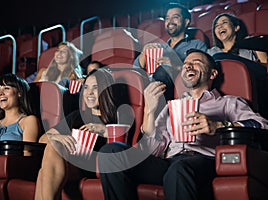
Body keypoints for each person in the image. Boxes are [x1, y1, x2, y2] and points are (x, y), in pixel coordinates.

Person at [98, 49, 268, 200]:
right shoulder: (171, 107)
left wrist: (218, 126)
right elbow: (152, 150)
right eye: (186, 64)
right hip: (169, 163)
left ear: (212, 74)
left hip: (206, 161)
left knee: (179, 169)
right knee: (111, 152)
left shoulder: (228, 103)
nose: (188, 66)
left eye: (196, 63)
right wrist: (149, 110)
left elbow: (262, 126)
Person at [34, 68, 134, 200]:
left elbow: (123, 146)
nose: (89, 93)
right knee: (50, 154)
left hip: (97, 166)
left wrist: (103, 130)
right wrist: (58, 137)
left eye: (95, 88)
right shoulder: (77, 116)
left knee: (45, 168)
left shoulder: (120, 115)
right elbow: (42, 139)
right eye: (86, 87)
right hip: (71, 164)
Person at [133, 2, 208, 101]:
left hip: (179, 87)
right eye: (167, 18)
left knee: (163, 70)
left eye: (175, 17)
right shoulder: (159, 47)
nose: (170, 21)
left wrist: (174, 66)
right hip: (150, 86)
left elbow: (204, 70)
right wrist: (144, 53)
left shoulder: (197, 45)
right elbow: (134, 71)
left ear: (186, 22)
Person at [208, 13, 267, 79]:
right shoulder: (211, 52)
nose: (220, 26)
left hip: (253, 79)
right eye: (216, 26)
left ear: (236, 27)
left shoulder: (251, 42)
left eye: (224, 22)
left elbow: (265, 68)